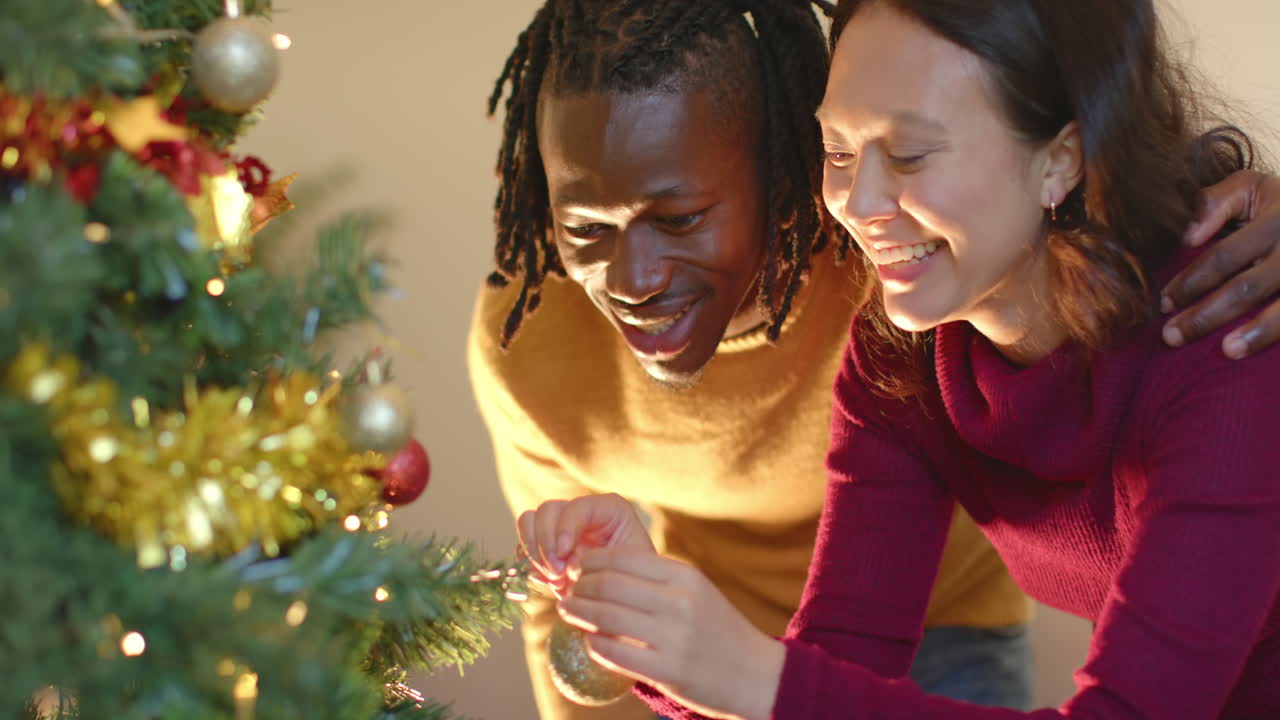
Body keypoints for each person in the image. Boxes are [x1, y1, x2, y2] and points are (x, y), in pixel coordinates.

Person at [477, 1, 1280, 718]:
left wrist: (756, 676)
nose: (857, 207)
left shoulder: (1229, 343)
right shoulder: (901, 357)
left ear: (1060, 159)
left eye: (910, 154)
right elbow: (832, 668)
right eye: (836, 150)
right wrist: (650, 618)